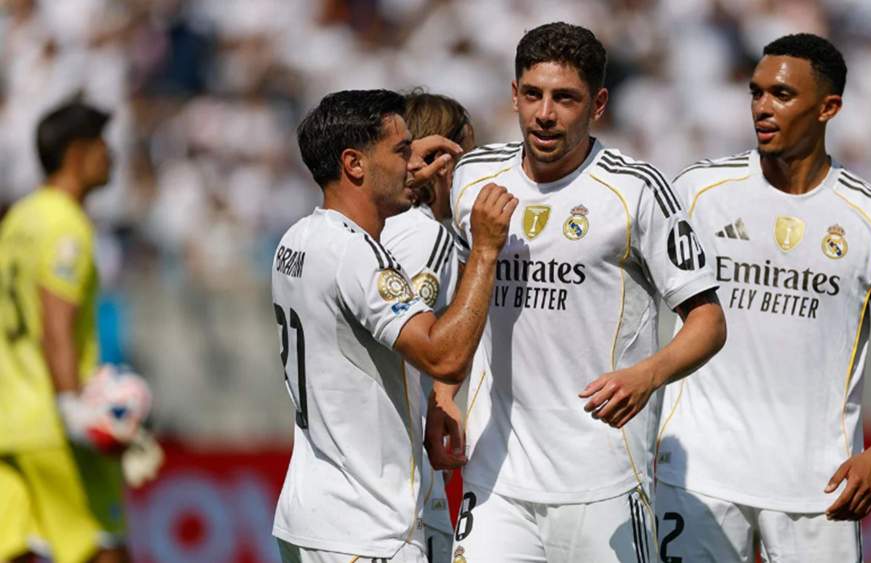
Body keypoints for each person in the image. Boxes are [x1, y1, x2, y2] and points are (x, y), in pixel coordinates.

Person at [426, 23, 727, 563]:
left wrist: (648, 375)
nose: (546, 114)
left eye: (566, 98)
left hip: (604, 477)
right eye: (534, 95)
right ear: (514, 95)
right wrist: (444, 393)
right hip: (498, 478)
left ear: (598, 104)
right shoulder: (472, 179)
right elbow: (460, 294)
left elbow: (708, 320)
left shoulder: (635, 191)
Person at [654, 33, 871, 562]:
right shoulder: (696, 193)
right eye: (756, 93)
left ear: (829, 108)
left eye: (781, 96)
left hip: (819, 487)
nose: (762, 107)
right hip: (699, 478)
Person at [271, 89, 517, 563]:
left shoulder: (296, 239)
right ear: (355, 164)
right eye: (402, 151)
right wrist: (485, 250)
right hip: (367, 526)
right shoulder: (359, 255)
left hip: (311, 513)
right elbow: (442, 354)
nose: (413, 165)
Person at [0, 101, 129, 563]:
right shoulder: (65, 223)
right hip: (51, 422)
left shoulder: (18, 219)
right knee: (102, 548)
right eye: (101, 146)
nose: (110, 157)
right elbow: (56, 319)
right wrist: (73, 405)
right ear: (76, 154)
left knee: (14, 551)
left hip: (8, 423)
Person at [381, 90, 476, 563]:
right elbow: (422, 347)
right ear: (442, 161)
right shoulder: (427, 235)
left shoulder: (366, 227)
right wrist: (442, 397)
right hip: (400, 487)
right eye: (468, 161)